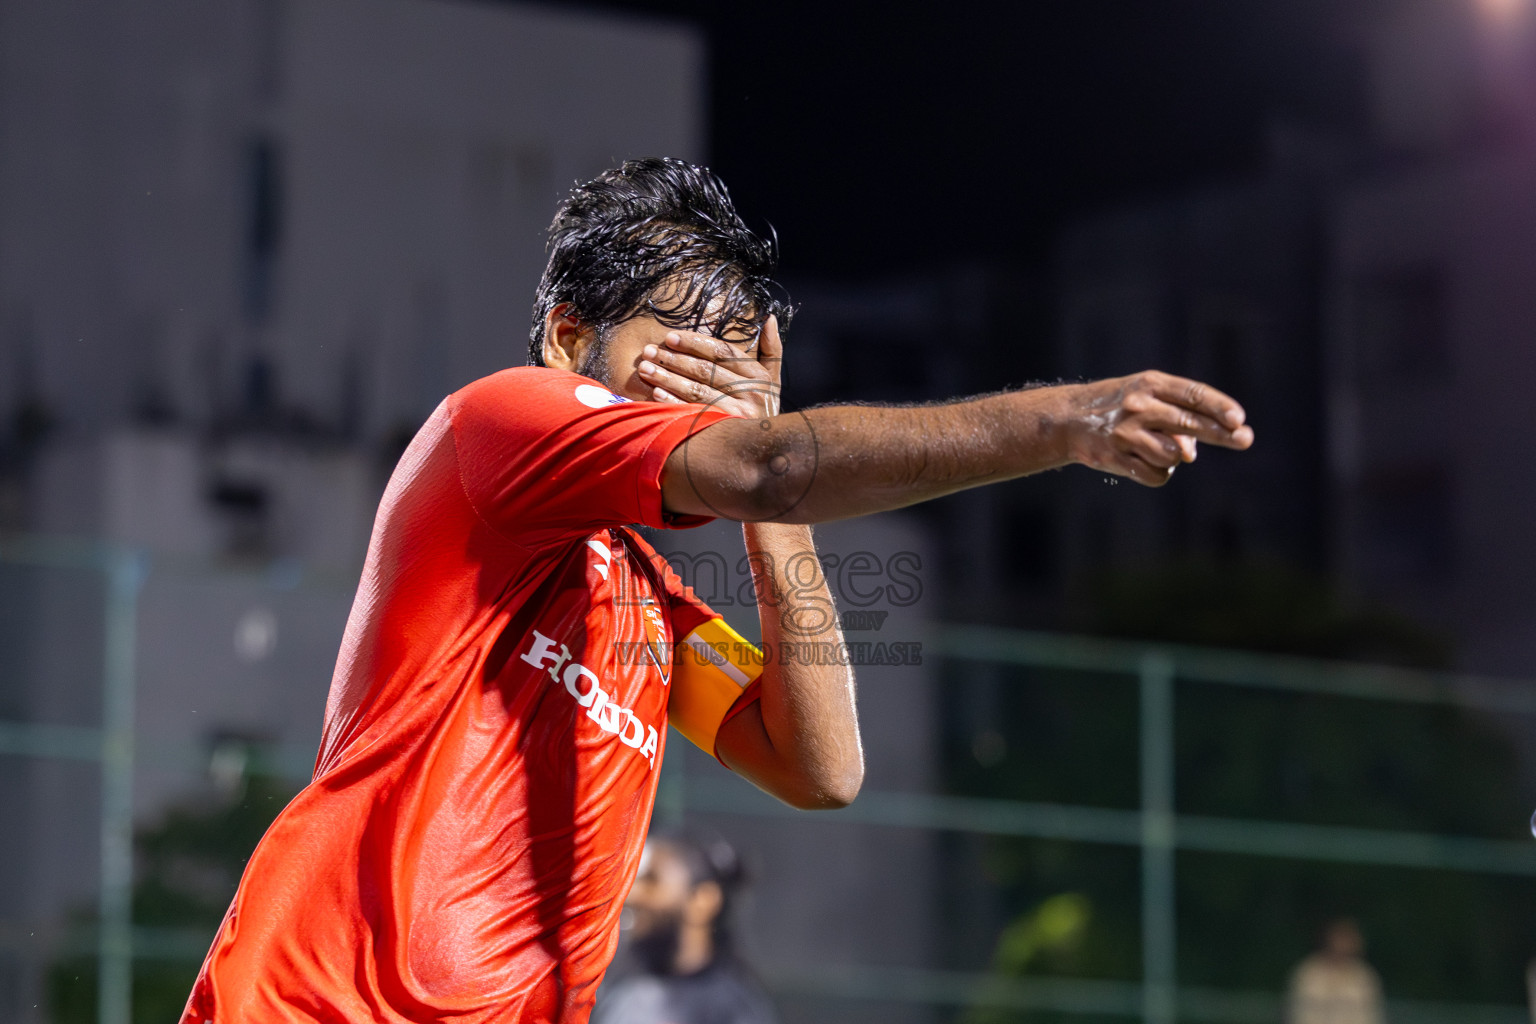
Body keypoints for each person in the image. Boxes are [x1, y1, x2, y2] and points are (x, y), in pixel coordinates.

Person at [180, 157, 1254, 1023]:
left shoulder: (645, 606)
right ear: (569, 335)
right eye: (678, 358)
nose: (710, 405)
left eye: (731, 378)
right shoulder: (493, 427)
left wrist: (771, 495)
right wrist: (1064, 421)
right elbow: (768, 462)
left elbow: (822, 767)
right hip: (309, 1000)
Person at [591, 830, 776, 1024]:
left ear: (702, 900)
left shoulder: (736, 1009)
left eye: (651, 880)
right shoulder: (613, 987)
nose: (633, 894)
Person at [1284, 918, 1385, 1024]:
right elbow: (1298, 1013)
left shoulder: (1364, 976)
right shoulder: (1308, 972)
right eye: (1340, 938)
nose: (1343, 945)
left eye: (1348, 939)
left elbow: (1371, 1016)